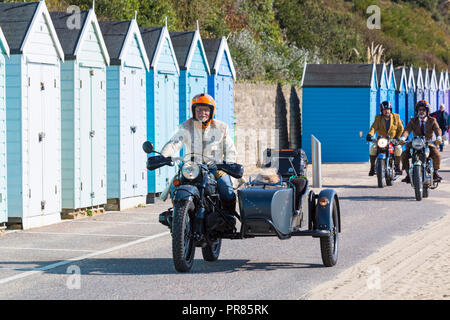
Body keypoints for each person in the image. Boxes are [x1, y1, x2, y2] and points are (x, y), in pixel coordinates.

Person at [160, 93, 238, 228]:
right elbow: (174, 143)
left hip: (216, 168)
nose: (203, 113)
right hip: (192, 168)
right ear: (194, 111)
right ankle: (178, 216)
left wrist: (228, 164)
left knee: (226, 188)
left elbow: (230, 149)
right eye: (199, 109)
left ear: (211, 111)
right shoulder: (186, 127)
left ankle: (229, 217)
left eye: (206, 110)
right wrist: (162, 156)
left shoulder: (220, 128)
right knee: (175, 186)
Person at [399, 100, 443, 183]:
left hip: (427, 142)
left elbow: (437, 129)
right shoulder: (413, 121)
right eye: (420, 110)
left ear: (427, 111)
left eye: (423, 110)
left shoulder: (432, 120)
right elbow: (407, 130)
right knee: (404, 154)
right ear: (417, 111)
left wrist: (438, 137)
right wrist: (403, 138)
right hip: (416, 142)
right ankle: (408, 174)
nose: (421, 111)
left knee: (436, 154)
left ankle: (436, 172)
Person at [366, 101, 404, 176]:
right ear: (382, 111)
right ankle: (372, 167)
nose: (387, 111)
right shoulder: (378, 118)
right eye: (385, 109)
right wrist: (370, 135)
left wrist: (398, 138)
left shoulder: (396, 117)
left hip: (393, 140)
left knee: (399, 149)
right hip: (381, 141)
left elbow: (401, 129)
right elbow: (373, 127)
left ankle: (397, 166)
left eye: (388, 109)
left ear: (390, 110)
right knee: (373, 148)